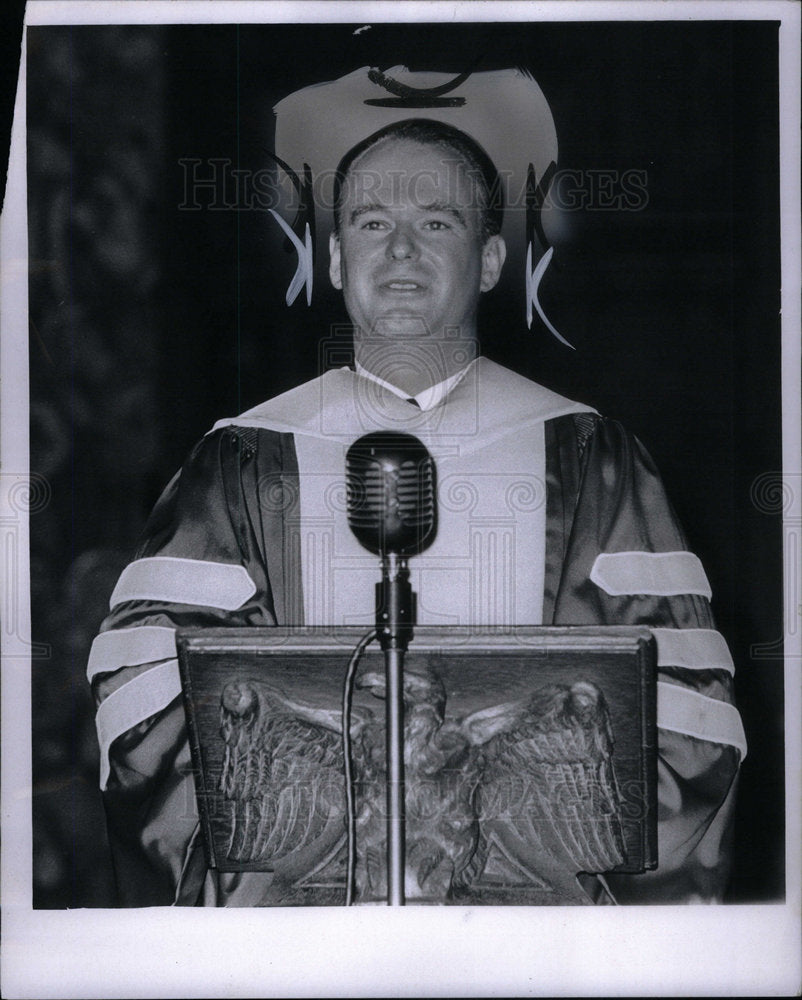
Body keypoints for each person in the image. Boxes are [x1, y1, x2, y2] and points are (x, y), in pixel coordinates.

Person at [87, 70, 744, 907]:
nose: (401, 250)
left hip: (528, 934)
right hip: (304, 933)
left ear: (492, 259)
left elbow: (682, 711)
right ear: (333, 259)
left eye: (438, 222)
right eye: (371, 223)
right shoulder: (243, 461)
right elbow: (144, 696)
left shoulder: (590, 457)